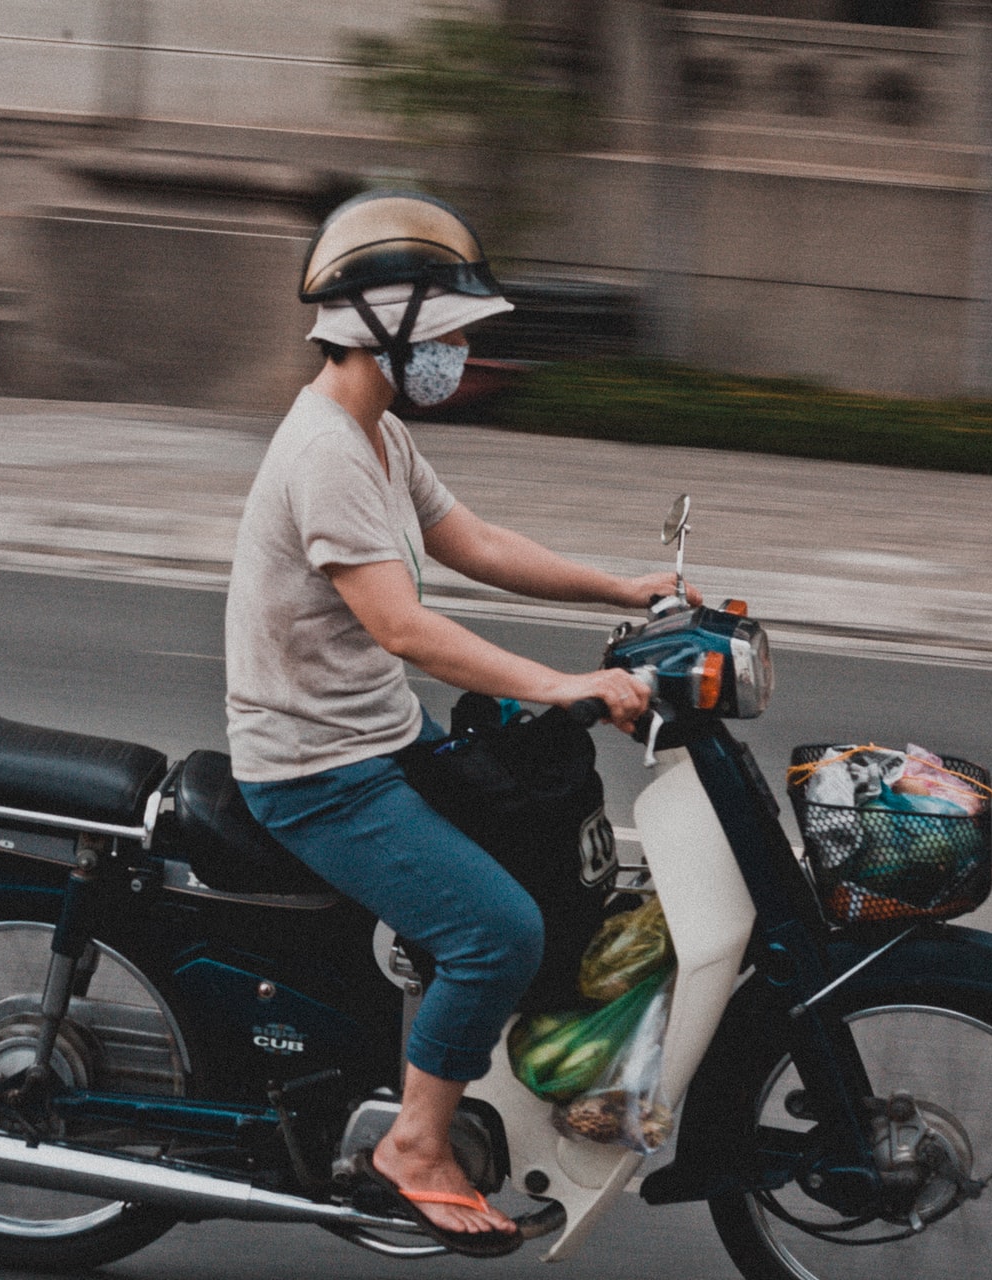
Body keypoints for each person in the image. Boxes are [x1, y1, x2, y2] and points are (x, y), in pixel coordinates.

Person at [224, 191, 696, 1255]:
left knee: (544, 862)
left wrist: (618, 587)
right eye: (446, 331)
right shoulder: (327, 455)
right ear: (387, 329)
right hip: (315, 769)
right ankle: (413, 1147)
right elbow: (404, 626)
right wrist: (565, 684)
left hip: (374, 737)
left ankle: (449, 1073)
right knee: (499, 929)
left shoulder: (376, 433)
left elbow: (471, 540)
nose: (461, 352)